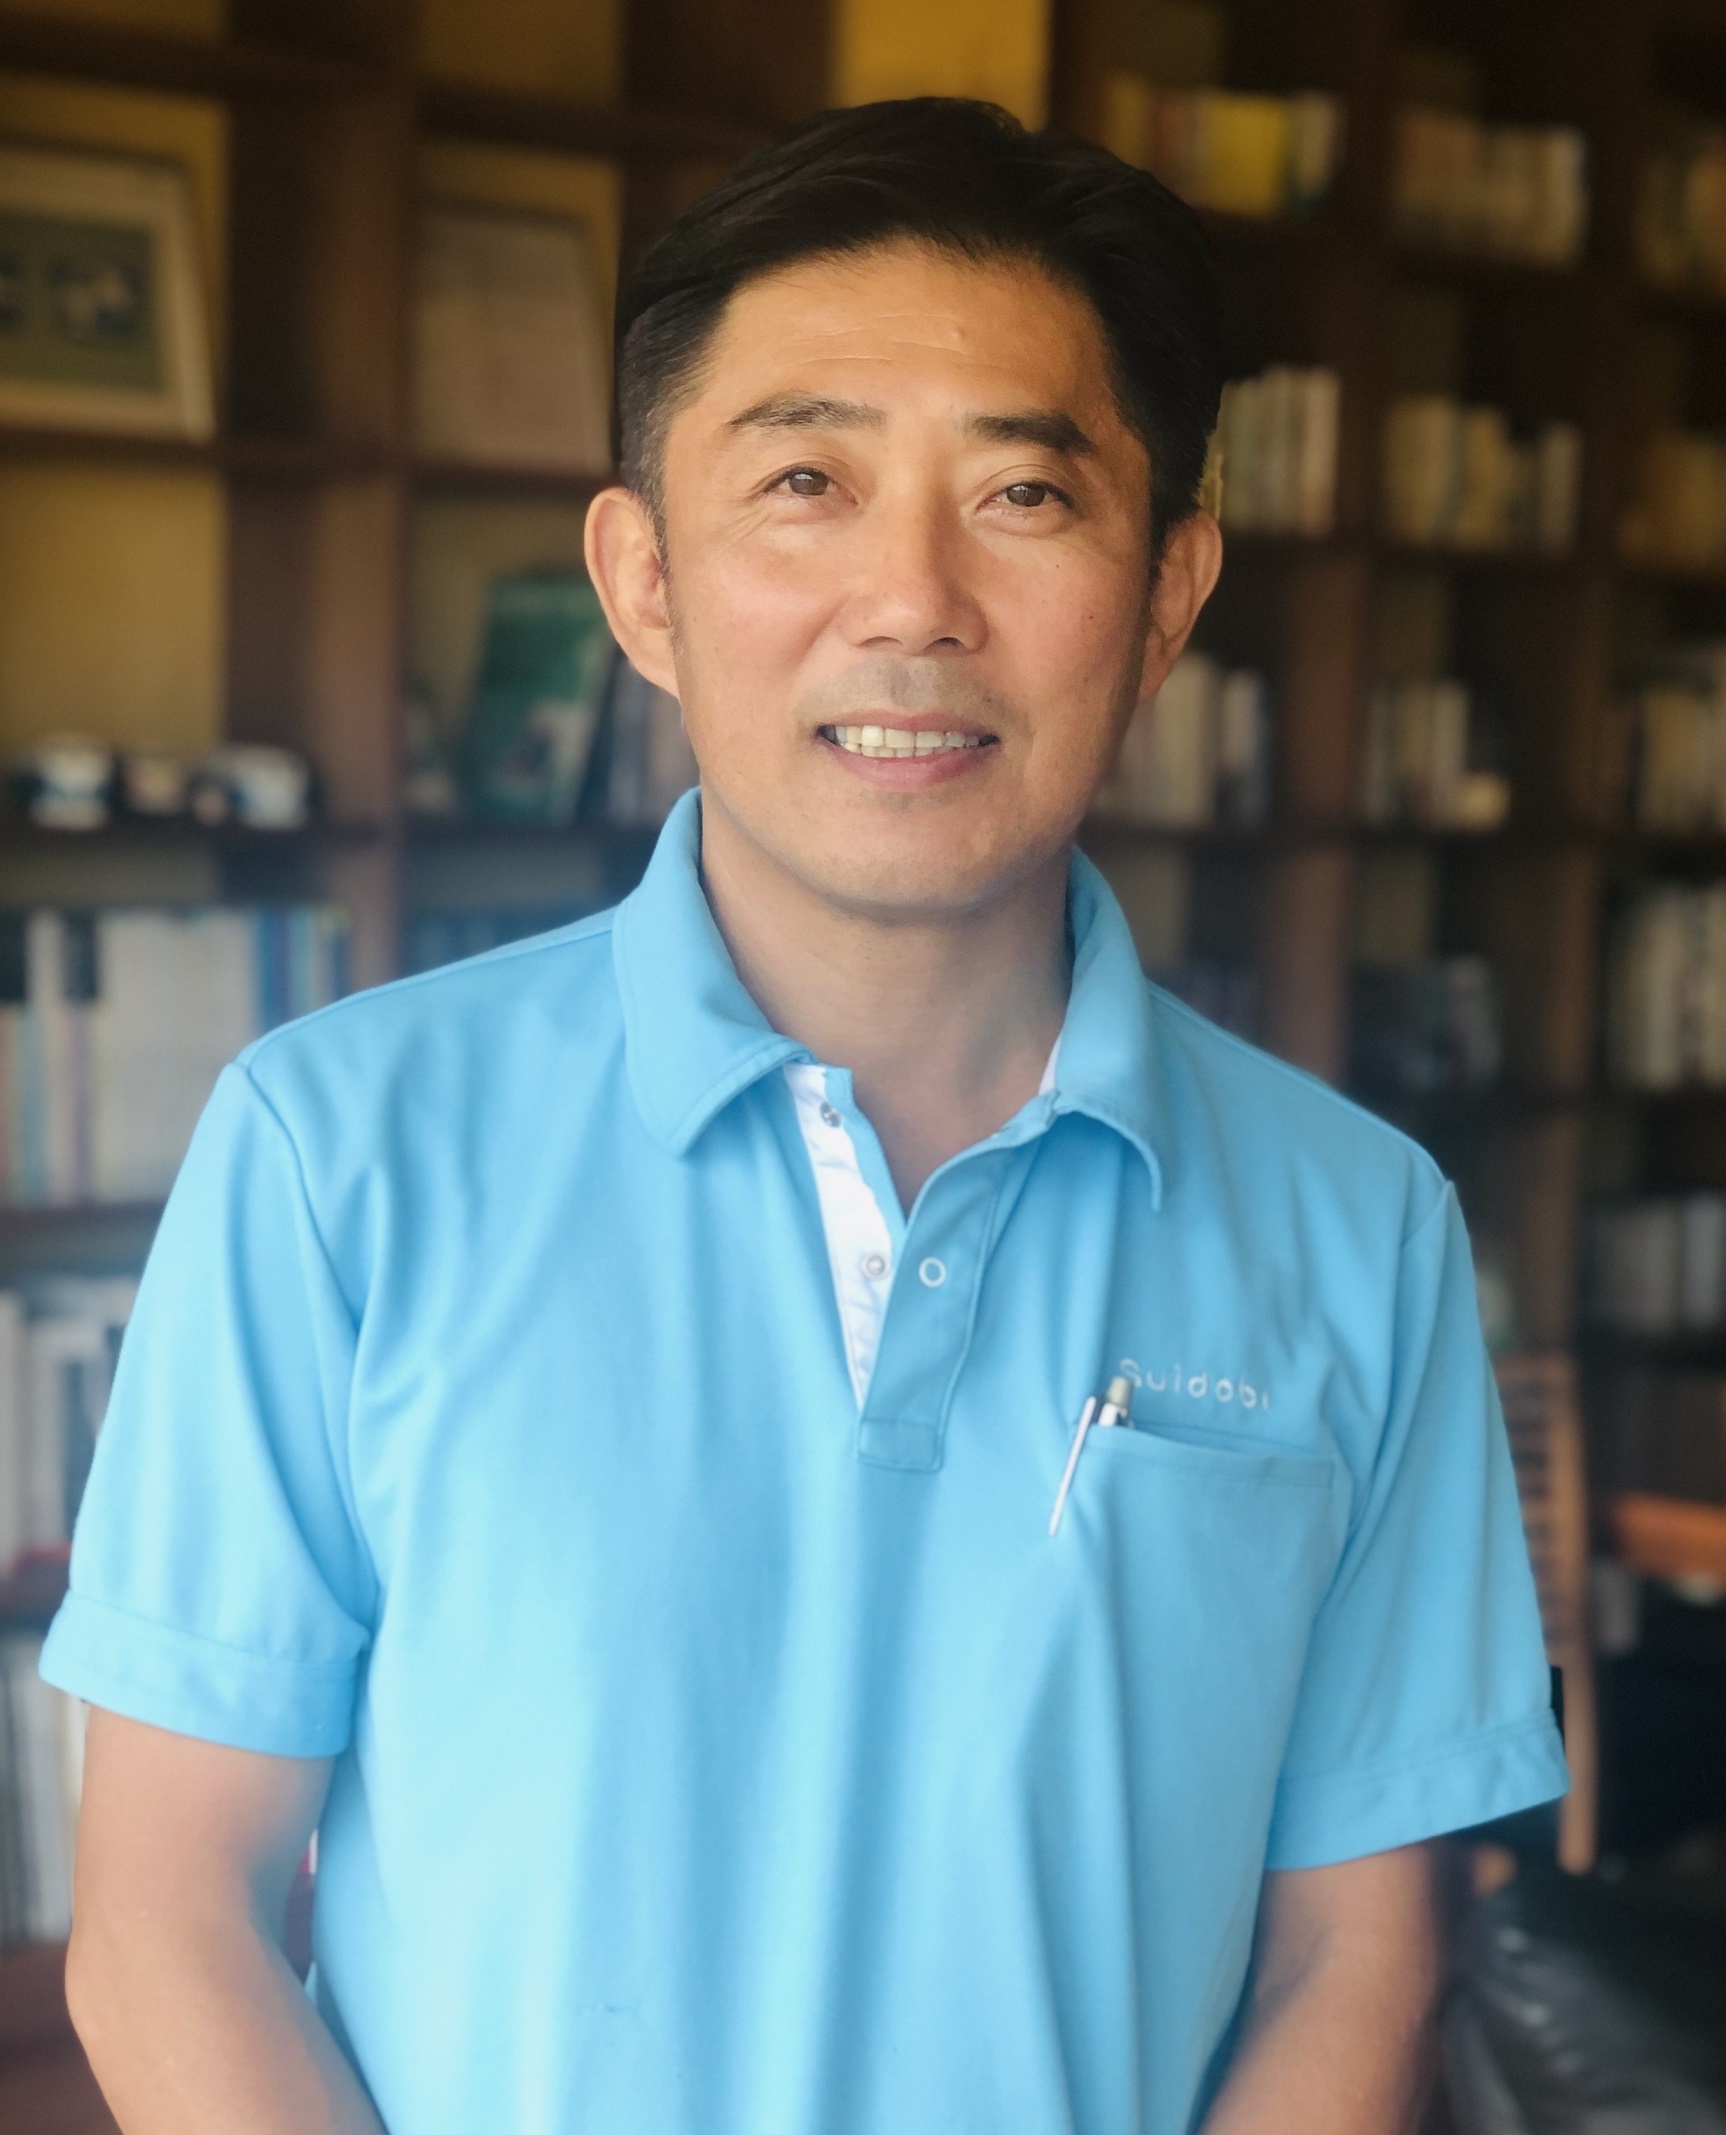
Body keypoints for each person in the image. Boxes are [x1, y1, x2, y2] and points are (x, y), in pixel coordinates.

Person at [46, 98, 1566, 2135]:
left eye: (1021, 493)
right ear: (642, 582)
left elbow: (1351, 1959)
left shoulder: (1357, 1226)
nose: (909, 601)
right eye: (802, 481)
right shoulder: (339, 1152)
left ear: (1165, 594)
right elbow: (172, 1920)